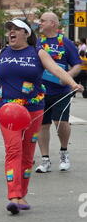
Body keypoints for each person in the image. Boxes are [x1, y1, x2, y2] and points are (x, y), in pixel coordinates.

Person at [0, 18, 83, 215]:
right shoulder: (2, 53)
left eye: (16, 29)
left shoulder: (37, 52)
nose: (11, 33)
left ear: (26, 33)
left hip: (33, 109)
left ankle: (22, 195)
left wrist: (71, 83)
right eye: (9, 30)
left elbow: (57, 69)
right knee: (13, 150)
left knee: (27, 152)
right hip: (7, 110)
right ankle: (13, 195)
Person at [35, 12, 82, 173]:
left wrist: (68, 77)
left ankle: (64, 152)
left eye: (42, 21)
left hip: (61, 91)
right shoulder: (37, 43)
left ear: (53, 23)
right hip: (40, 91)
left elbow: (77, 65)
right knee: (43, 125)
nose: (39, 23)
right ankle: (45, 159)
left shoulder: (65, 42)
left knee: (60, 122)